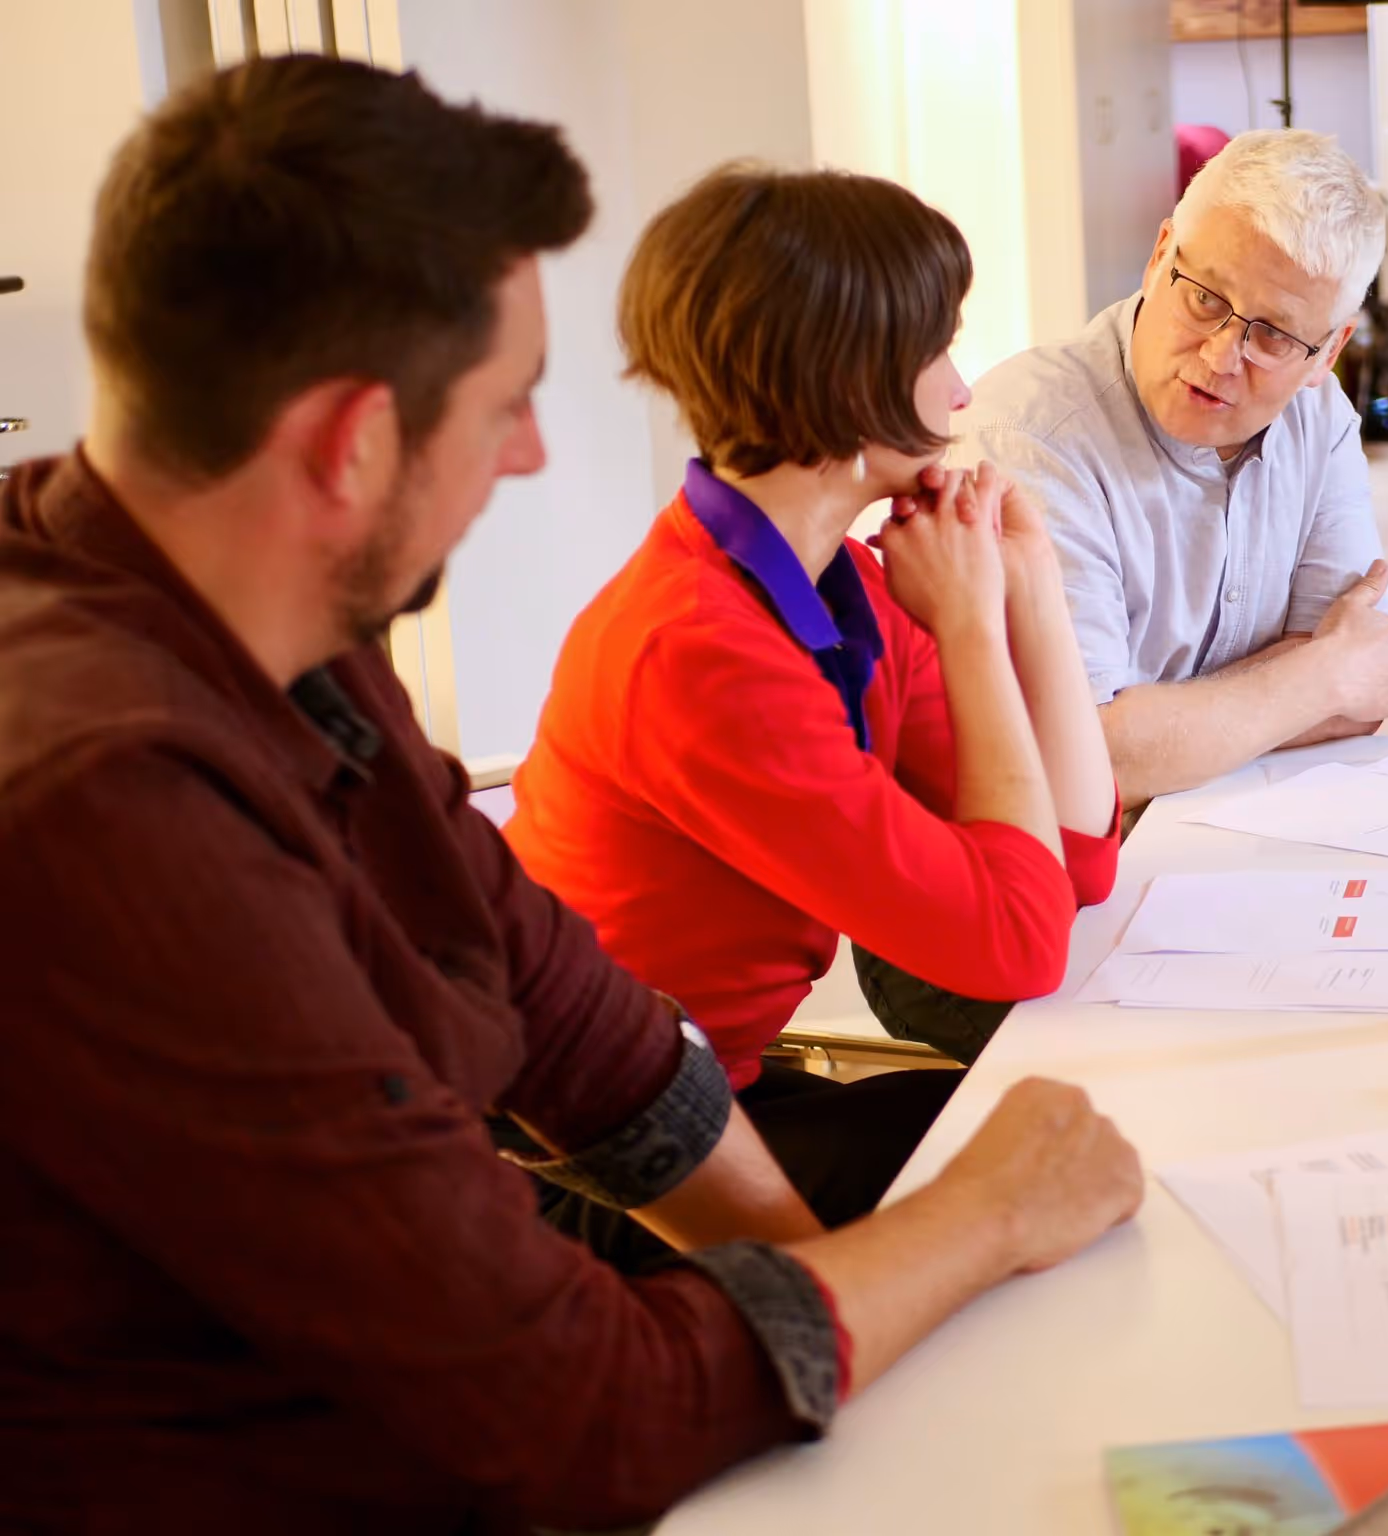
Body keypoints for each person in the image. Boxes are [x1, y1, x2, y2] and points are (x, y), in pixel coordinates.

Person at [0, 57, 1141, 1534]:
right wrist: (968, 1225)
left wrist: (857, 1273)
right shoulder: (120, 810)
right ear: (353, 441)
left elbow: (584, 1025)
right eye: (507, 409)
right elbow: (576, 1415)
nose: (534, 455)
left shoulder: (261, 633)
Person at [504, 165, 1122, 1196]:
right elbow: (1022, 943)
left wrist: (1031, 585)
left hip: (707, 1092)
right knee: (1040, 1170)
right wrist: (971, 628)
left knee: (1066, 1127)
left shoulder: (850, 581)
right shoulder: (699, 651)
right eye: (936, 350)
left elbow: (1069, 866)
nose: (963, 390)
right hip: (579, 1157)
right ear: (849, 385)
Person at [953, 128, 1388, 809]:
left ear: (1328, 352)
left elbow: (1373, 686)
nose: (1219, 355)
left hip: (1263, 831)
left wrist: (1163, 725)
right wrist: (1321, 674)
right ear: (1158, 256)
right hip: (1082, 871)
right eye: (1204, 296)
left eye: (1272, 334)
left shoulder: (1319, 417)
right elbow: (1090, 758)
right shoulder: (1025, 434)